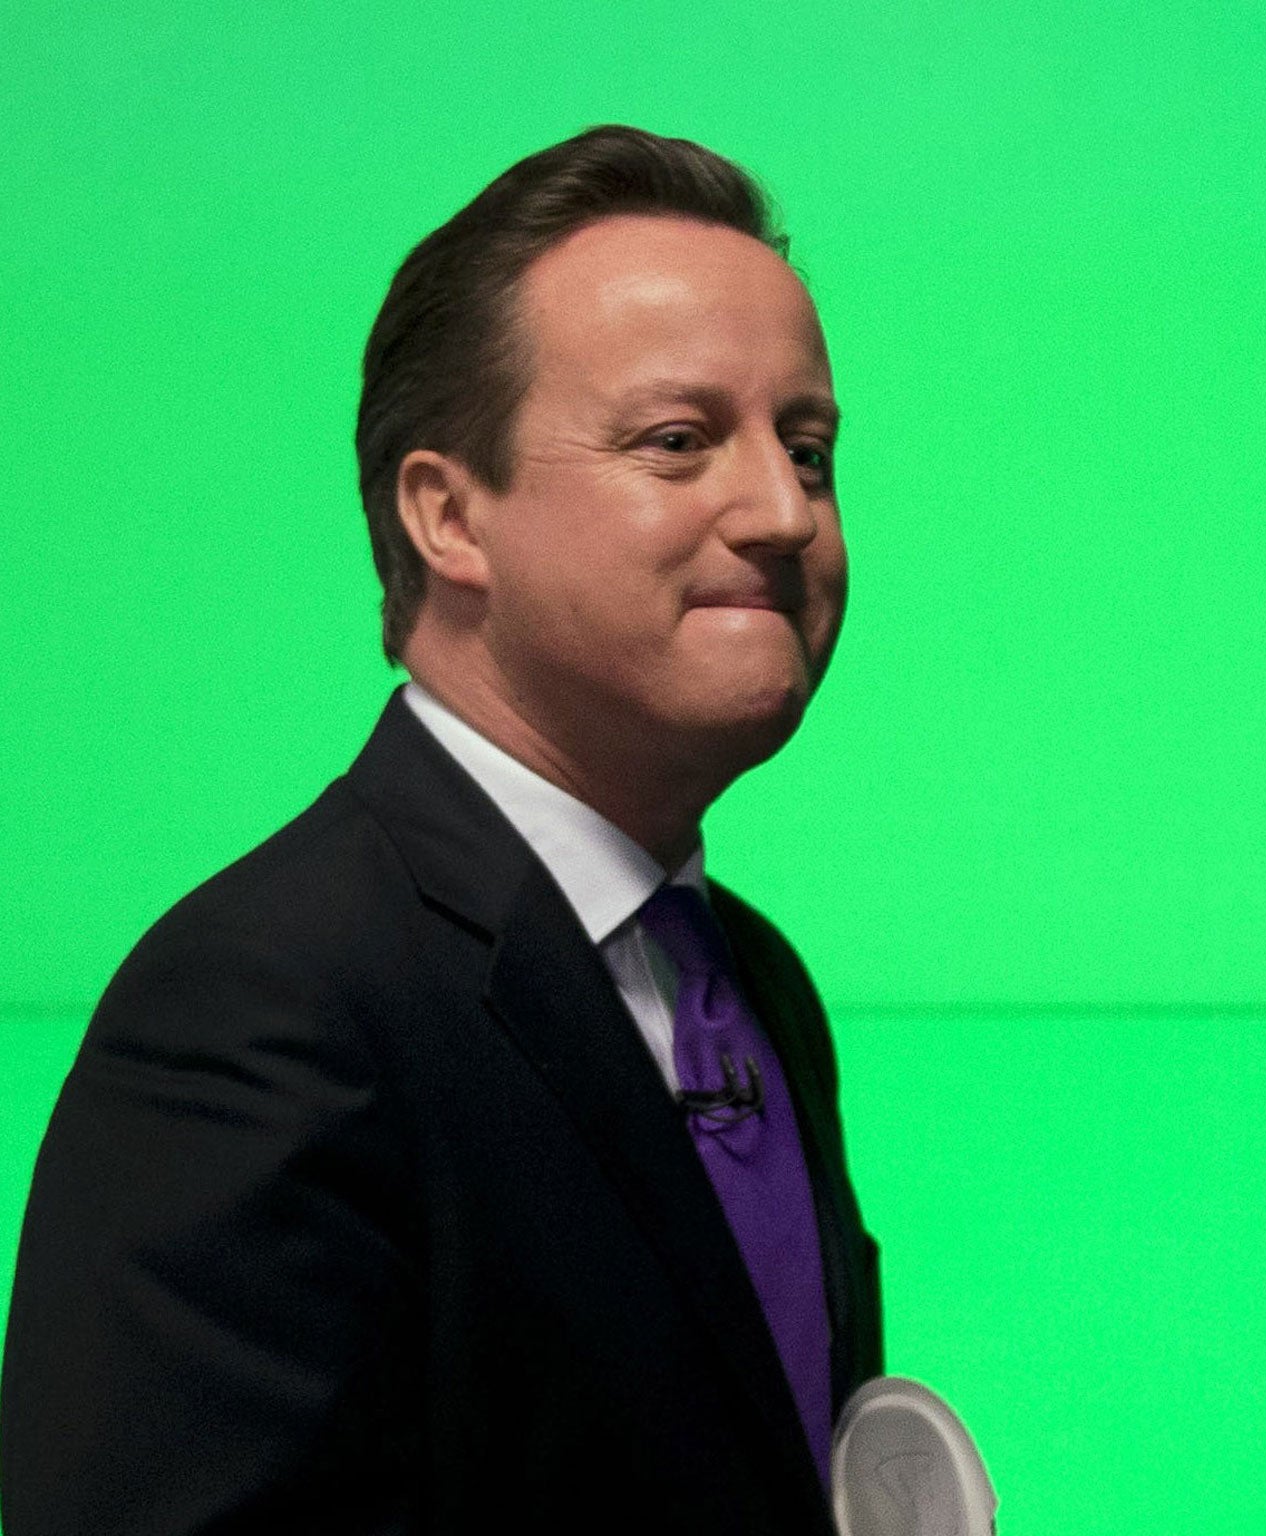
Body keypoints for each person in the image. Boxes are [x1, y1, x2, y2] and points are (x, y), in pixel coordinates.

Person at [0, 124, 882, 1534]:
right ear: (446, 518)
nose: (783, 512)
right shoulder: (262, 1007)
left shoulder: (753, 983)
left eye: (812, 448)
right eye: (678, 442)